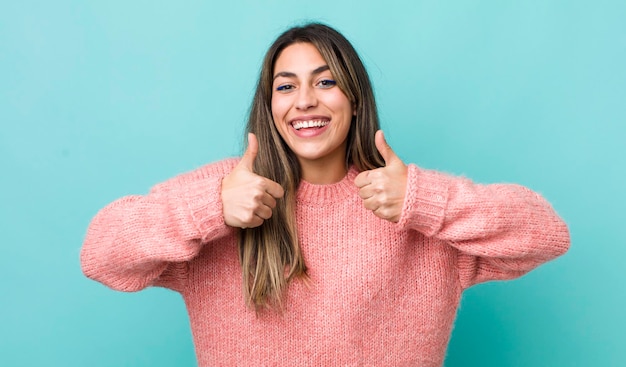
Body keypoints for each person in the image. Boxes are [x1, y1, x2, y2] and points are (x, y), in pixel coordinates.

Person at [80, 23, 570, 366]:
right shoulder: (228, 195)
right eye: (285, 86)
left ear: (355, 100)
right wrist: (207, 208)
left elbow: (546, 234)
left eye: (326, 82)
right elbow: (100, 254)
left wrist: (426, 201)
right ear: (269, 106)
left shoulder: (408, 202)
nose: (305, 101)